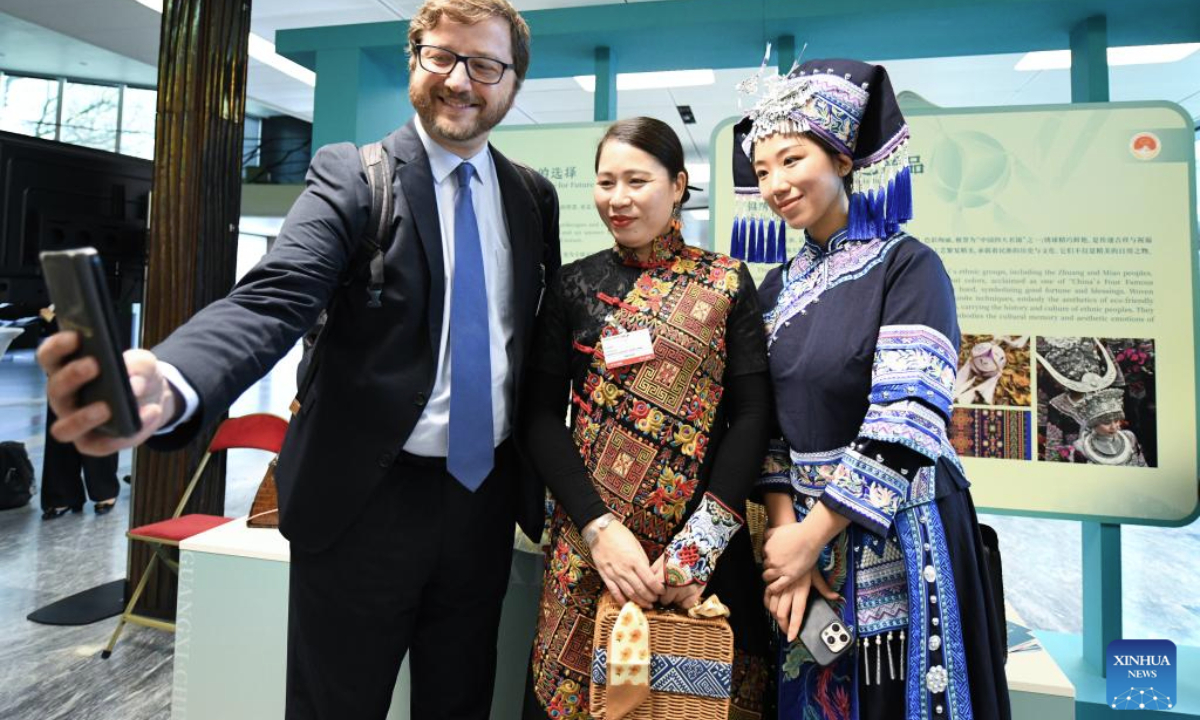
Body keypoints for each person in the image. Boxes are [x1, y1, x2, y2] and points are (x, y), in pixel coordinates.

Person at [37, 0, 560, 717]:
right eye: (441, 55)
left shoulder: (533, 198)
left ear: (512, 82)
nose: (460, 80)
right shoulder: (354, 177)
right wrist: (171, 378)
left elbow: (529, 347)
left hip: (482, 506)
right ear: (415, 60)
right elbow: (271, 299)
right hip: (363, 508)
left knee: (462, 701)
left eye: (485, 65)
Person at [732, 59, 1011, 719]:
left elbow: (906, 417)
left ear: (843, 158)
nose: (775, 183)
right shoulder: (774, 287)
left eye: (791, 159)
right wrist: (784, 538)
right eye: (763, 169)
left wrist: (810, 537)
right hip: (802, 534)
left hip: (903, 529)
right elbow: (767, 421)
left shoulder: (909, 266)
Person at [521, 117, 772, 719]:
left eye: (638, 180)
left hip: (695, 559)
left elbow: (755, 413)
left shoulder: (726, 282)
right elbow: (537, 414)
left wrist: (702, 544)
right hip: (592, 553)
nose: (618, 198)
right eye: (606, 182)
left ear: (679, 185)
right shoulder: (572, 285)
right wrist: (596, 528)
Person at [37, 307, 119, 519]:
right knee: (61, 434)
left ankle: (104, 490)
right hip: (62, 371)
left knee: (94, 427)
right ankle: (62, 496)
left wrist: (53, 321)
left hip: (94, 366)